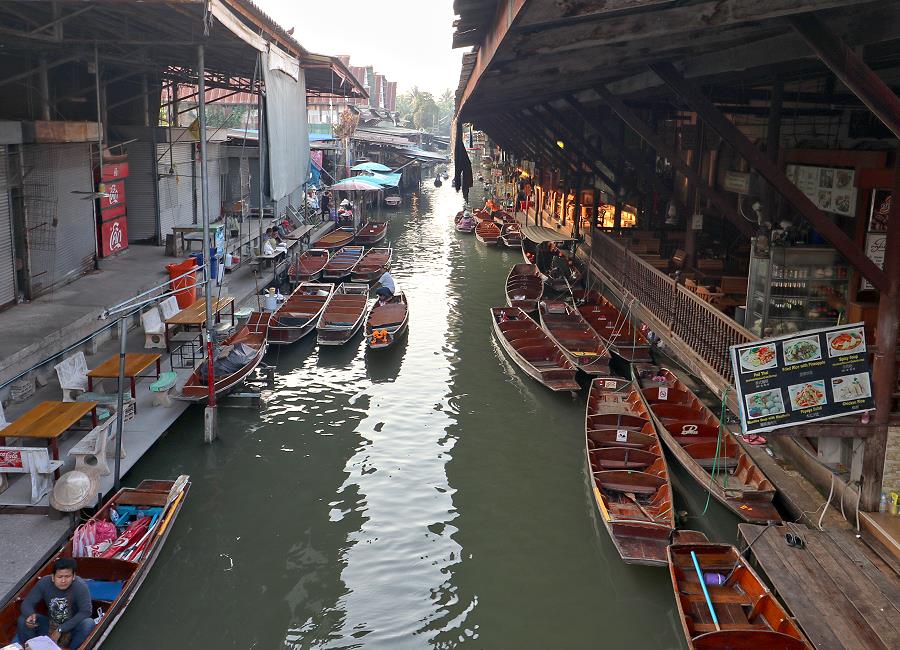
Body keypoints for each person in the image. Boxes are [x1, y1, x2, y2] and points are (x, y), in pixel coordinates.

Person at [17, 557, 94, 649]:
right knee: (23, 619)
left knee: (88, 623)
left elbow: (86, 611)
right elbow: (28, 603)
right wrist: (30, 615)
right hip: (50, 626)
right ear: (53, 577)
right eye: (60, 577)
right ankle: (32, 647)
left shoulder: (80, 586)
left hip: (72, 627)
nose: (63, 581)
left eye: (67, 576)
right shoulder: (44, 582)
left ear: (73, 576)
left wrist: (61, 629)